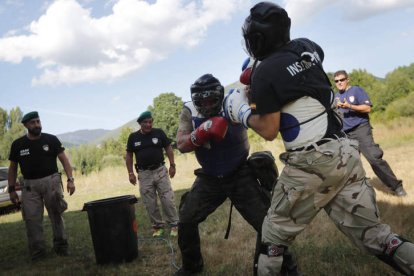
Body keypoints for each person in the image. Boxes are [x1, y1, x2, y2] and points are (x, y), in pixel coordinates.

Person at [223, 2, 414, 275]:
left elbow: (268, 129)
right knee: (375, 235)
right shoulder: (307, 45)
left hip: (311, 162)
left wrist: (241, 112)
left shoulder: (266, 70)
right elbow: (300, 76)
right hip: (345, 153)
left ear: (257, 38)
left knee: (272, 238)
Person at [174, 74, 299, 276]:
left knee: (268, 224)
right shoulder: (189, 110)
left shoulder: (233, 100)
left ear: (219, 96)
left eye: (210, 101)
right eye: (202, 102)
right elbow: (181, 144)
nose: (206, 106)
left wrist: (254, 91)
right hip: (209, 177)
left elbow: (261, 109)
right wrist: (202, 131)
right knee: (186, 219)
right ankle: (191, 267)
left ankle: (285, 268)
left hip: (240, 172)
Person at [8, 111, 76, 261]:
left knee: (56, 215)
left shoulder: (51, 140)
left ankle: (61, 247)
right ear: (25, 125)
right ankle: (38, 252)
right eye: (33, 122)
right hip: (29, 187)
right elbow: (12, 168)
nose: (37, 125)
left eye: (38, 121)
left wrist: (70, 179)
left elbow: (64, 161)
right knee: (32, 220)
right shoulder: (18, 145)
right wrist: (12, 189)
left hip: (51, 183)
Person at [333, 70, 407, 197]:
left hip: (361, 129)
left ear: (347, 79)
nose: (339, 83)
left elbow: (367, 108)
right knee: (350, 166)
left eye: (342, 80)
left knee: (374, 159)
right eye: (336, 81)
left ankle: (396, 187)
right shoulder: (335, 96)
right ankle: (358, 195)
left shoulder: (356, 91)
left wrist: (349, 106)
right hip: (346, 134)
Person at [125, 111, 179, 237]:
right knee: (150, 202)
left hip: (160, 171)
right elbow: (129, 155)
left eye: (150, 122)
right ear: (140, 123)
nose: (149, 125)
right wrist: (130, 173)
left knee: (167, 199)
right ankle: (157, 227)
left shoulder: (159, 133)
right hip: (144, 174)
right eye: (145, 122)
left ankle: (174, 225)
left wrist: (172, 165)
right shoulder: (133, 137)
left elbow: (168, 148)